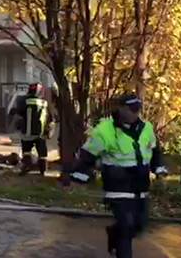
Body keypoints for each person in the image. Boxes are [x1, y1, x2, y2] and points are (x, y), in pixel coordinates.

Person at [69, 93, 167, 258]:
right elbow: (88, 155)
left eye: (137, 110)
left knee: (139, 226)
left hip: (140, 186)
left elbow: (155, 152)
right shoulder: (105, 130)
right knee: (126, 226)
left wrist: (159, 171)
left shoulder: (147, 128)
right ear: (121, 109)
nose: (134, 114)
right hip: (117, 186)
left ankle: (114, 232)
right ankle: (120, 241)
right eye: (131, 109)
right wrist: (78, 176)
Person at [18, 83, 51, 176]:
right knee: (42, 153)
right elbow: (50, 116)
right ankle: (43, 170)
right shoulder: (45, 103)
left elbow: (19, 112)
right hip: (40, 132)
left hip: (27, 131)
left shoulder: (24, 101)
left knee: (26, 151)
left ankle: (26, 166)